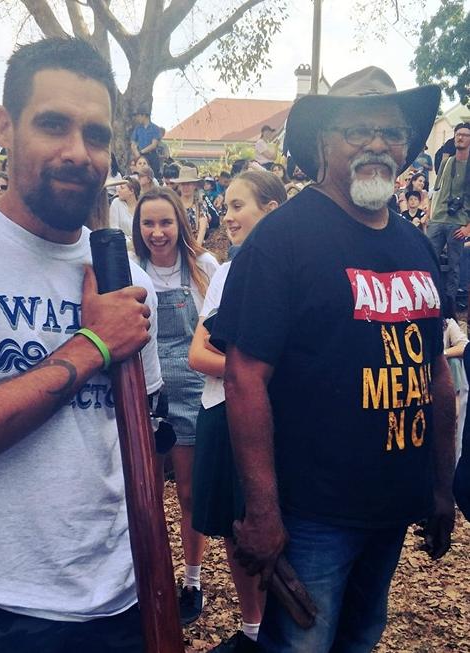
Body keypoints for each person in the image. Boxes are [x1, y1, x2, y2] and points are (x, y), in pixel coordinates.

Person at [211, 67, 456, 653]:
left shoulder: (413, 242)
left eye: (391, 133)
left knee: (361, 637)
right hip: (313, 514)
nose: (377, 144)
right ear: (324, 142)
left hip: (393, 505)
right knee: (302, 646)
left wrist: (440, 486)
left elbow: (436, 373)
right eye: (358, 130)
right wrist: (264, 514)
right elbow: (245, 378)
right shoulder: (283, 240)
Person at [0, 37, 163, 653]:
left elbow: (135, 435)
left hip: (123, 599)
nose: (78, 153)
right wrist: (90, 346)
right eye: (53, 125)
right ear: (4, 126)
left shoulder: (123, 277)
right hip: (0, 605)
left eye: (97, 134)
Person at [190, 170, 286, 652]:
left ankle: (277, 631)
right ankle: (252, 630)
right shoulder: (225, 273)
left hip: (271, 419)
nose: (226, 217)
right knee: (234, 526)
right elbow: (197, 353)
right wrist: (253, 368)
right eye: (225, 207)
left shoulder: (295, 268)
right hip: (219, 410)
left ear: (271, 209)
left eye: (237, 206)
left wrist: (247, 370)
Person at [131, 186, 219, 626]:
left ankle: (192, 580)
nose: (157, 232)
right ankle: (149, 577)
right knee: (143, 494)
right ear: (137, 226)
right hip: (144, 392)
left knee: (188, 493)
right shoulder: (129, 269)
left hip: (191, 388)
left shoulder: (203, 267)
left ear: (180, 224)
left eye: (165, 222)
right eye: (148, 223)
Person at [427, 122, 470, 307]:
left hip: (458, 222)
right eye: (458, 134)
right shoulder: (446, 162)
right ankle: (429, 299)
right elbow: (437, 190)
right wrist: (431, 213)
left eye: (465, 135)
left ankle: (449, 305)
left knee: (454, 267)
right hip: (438, 219)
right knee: (429, 260)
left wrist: (468, 227)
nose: (460, 137)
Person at [172, 165, 212, 246]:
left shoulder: (201, 204)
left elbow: (202, 229)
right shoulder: (174, 204)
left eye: (189, 184)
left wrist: (196, 249)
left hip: (195, 246)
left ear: (195, 185)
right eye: (183, 184)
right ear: (179, 186)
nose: (185, 187)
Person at [130, 105, 161, 179]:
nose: (137, 118)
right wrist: (137, 154)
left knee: (153, 177)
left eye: (138, 116)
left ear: (144, 115)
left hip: (151, 156)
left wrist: (141, 152)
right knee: (139, 176)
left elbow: (153, 145)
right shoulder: (138, 128)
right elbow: (133, 143)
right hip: (140, 156)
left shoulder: (155, 128)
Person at [109, 176, 141, 244]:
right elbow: (114, 227)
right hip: (121, 243)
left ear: (131, 191)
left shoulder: (142, 207)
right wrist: (128, 241)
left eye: (122, 188)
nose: (119, 190)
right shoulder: (116, 203)